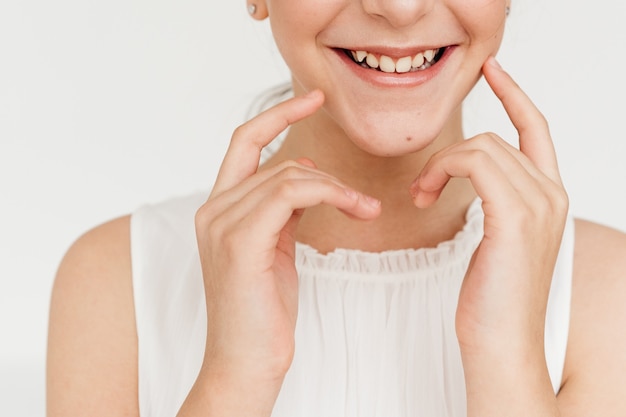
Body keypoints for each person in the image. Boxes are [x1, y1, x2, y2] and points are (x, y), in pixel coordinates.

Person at [46, 0, 626, 415]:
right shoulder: (116, 280)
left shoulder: (608, 292)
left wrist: (508, 363)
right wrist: (236, 375)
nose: (399, 8)